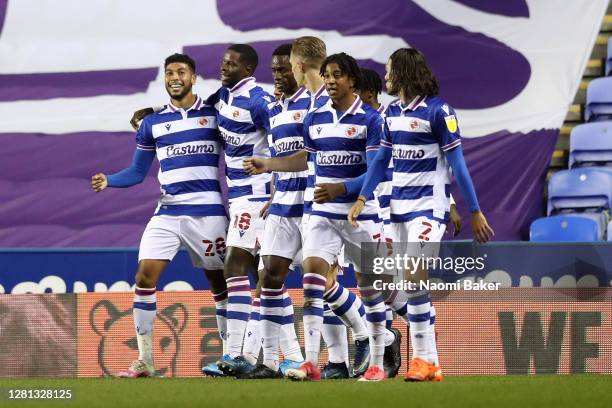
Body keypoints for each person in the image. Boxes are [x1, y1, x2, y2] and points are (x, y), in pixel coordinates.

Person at [348, 47, 494, 382]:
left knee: (413, 278)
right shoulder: (390, 115)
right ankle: (430, 363)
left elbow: (458, 164)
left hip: (429, 208)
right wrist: (362, 198)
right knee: (411, 287)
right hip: (396, 210)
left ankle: (424, 361)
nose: (385, 76)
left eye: (388, 70)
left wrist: (474, 210)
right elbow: (380, 162)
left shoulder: (439, 112)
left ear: (402, 71)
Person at [91, 53, 229, 377]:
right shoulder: (152, 124)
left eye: (181, 71)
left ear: (194, 77)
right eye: (169, 73)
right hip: (167, 212)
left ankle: (231, 356)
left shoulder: (213, 116)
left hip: (208, 214)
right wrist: (110, 180)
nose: (174, 77)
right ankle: (147, 360)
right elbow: (137, 172)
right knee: (143, 278)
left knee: (219, 283)